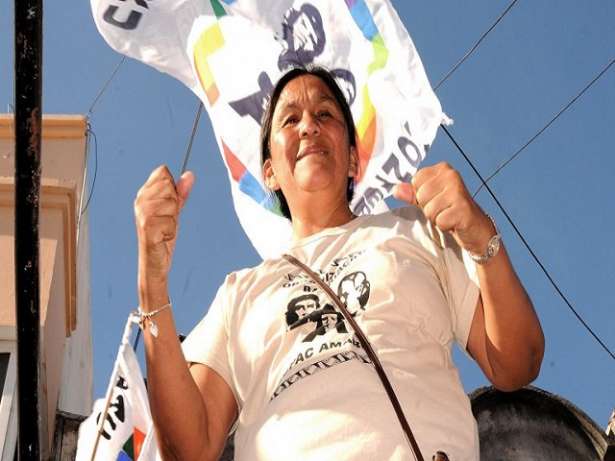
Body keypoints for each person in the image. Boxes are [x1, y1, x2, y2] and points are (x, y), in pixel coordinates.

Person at [133, 66, 544, 460]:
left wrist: (480, 236)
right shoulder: (238, 293)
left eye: (325, 114)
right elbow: (188, 449)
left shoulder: (417, 231)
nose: (308, 126)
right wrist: (152, 282)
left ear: (352, 159)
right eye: (289, 119)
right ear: (269, 173)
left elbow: (516, 363)